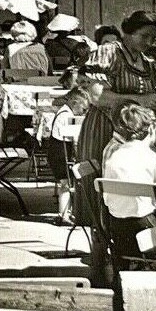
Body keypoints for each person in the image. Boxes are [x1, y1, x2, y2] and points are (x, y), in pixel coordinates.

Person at [99, 102, 156, 263]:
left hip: (116, 230)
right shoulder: (155, 161)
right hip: (146, 232)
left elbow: (107, 201)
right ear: (151, 129)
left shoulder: (113, 157)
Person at [41, 85, 94, 223]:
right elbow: (74, 138)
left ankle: (67, 212)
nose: (83, 113)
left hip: (61, 152)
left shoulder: (66, 112)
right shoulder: (66, 116)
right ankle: (63, 214)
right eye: (83, 109)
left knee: (68, 184)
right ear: (74, 103)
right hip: (60, 155)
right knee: (66, 184)